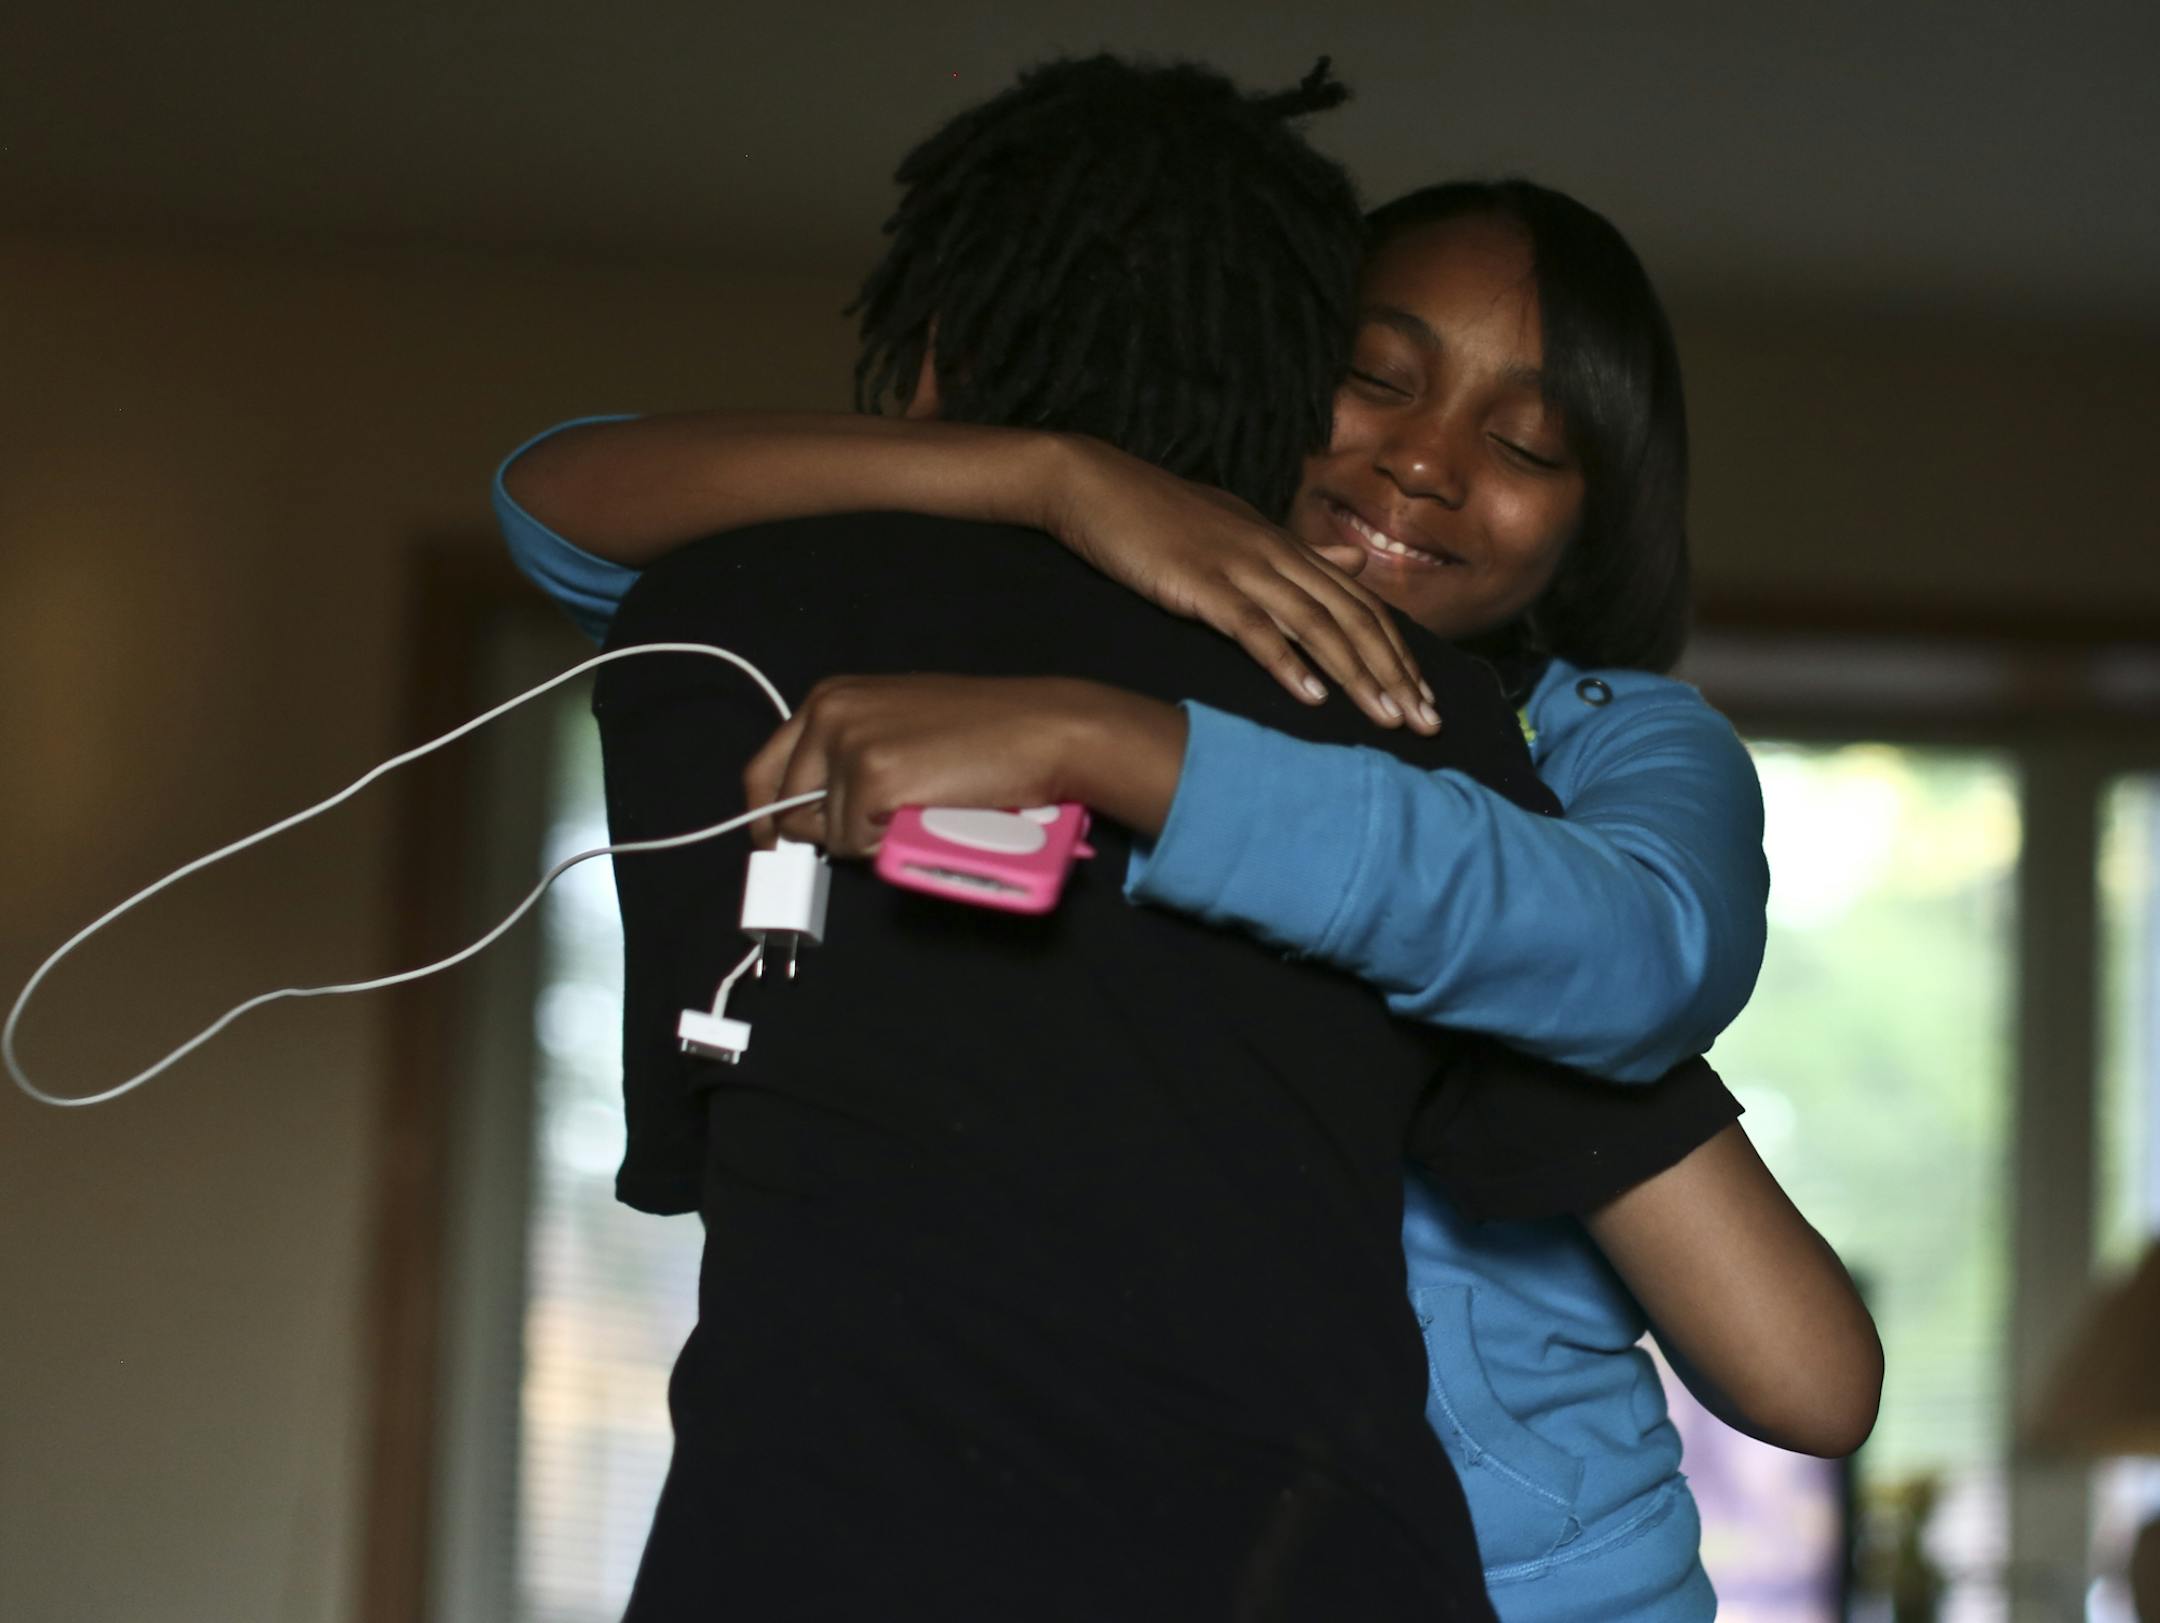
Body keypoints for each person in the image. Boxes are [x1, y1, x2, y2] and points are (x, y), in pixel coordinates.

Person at [502, 62, 1877, 1621]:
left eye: (1532, 444)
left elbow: (1634, 956)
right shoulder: (1013, 619)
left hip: (1546, 1583)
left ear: (1595, 517)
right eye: (1375, 376)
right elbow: (557, 505)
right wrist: (1055, 476)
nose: (1427, 461)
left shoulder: (1587, 743)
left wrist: (1124, 751)